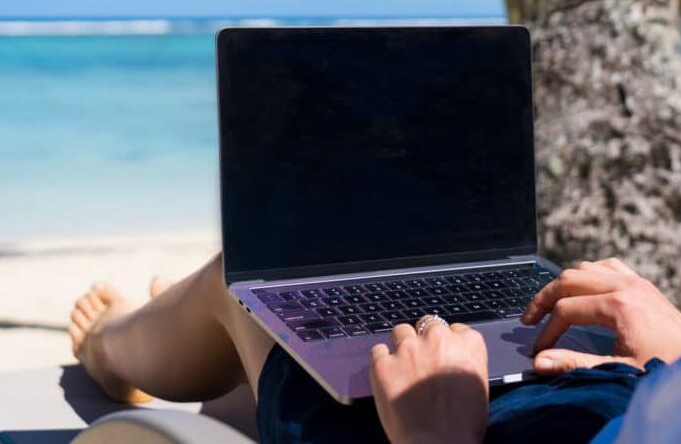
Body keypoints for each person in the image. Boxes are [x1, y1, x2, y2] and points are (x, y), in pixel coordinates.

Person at [69, 257, 681, 443]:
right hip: (617, 390)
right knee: (357, 296)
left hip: (447, 431)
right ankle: (201, 349)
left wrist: (434, 435)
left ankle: (111, 349)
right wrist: (670, 365)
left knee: (249, 284)